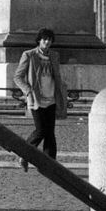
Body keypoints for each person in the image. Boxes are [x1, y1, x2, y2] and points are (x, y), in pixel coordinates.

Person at [13, 28, 68, 172]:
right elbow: (17, 77)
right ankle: (24, 154)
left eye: (49, 39)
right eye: (44, 39)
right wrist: (28, 91)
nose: (47, 42)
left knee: (50, 133)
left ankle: (50, 164)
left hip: (51, 98)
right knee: (40, 130)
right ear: (39, 40)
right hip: (36, 99)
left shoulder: (54, 56)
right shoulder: (29, 55)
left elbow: (57, 76)